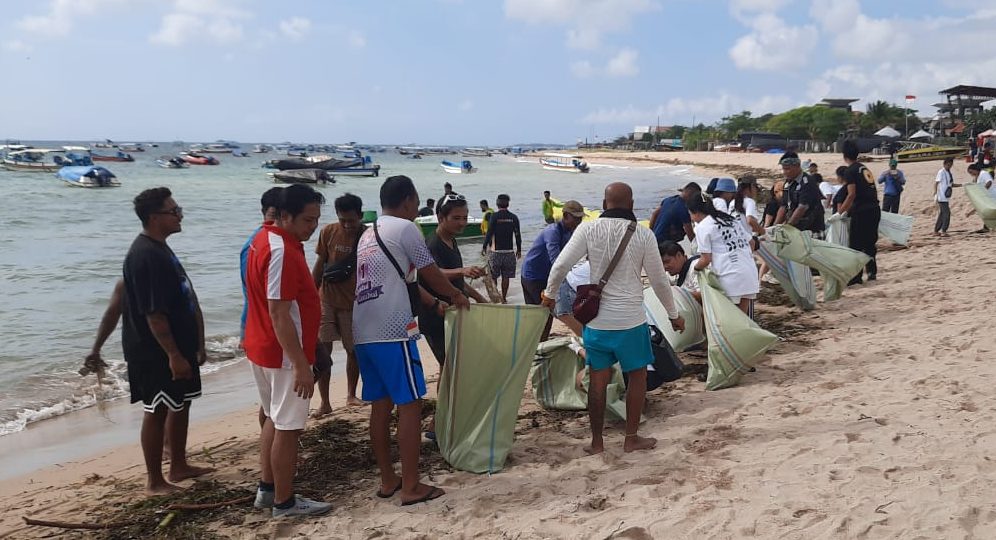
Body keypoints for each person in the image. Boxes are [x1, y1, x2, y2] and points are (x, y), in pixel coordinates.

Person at [542, 182, 685, 455]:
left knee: (597, 380)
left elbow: (560, 265)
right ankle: (631, 439)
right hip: (631, 322)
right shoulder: (644, 235)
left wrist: (549, 295)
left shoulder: (588, 228)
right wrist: (674, 315)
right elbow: (659, 281)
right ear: (631, 205)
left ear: (604, 203)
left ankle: (597, 443)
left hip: (596, 323)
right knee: (637, 377)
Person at [353, 175, 469, 506]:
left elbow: (405, 278)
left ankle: (389, 480)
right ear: (407, 200)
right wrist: (456, 296)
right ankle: (412, 486)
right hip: (393, 331)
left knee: (380, 405)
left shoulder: (369, 233)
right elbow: (429, 271)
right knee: (410, 405)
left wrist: (434, 303)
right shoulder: (405, 228)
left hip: (363, 331)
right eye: (417, 203)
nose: (418, 209)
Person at [244, 184, 332, 518]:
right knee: (288, 427)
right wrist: (300, 365)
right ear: (284, 216)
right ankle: (284, 502)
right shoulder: (280, 249)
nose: (313, 227)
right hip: (282, 354)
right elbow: (279, 312)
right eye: (308, 220)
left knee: (274, 418)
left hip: (263, 346)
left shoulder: (262, 239)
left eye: (316, 220)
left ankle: (268, 490)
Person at [121, 187, 212, 495]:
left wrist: (197, 342)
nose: (179, 215)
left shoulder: (160, 248)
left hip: (180, 345)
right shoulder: (145, 255)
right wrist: (173, 354)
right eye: (173, 211)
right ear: (154, 217)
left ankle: (179, 465)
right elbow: (154, 315)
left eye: (178, 208)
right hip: (154, 351)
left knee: (180, 403)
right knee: (157, 408)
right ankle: (154, 480)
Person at [311, 193, 366, 413]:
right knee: (324, 351)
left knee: (354, 351)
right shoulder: (328, 232)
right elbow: (320, 264)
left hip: (354, 302)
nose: (346, 225)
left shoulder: (367, 236)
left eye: (351, 220)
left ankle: (351, 395)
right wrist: (311, 294)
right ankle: (325, 402)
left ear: (360, 216)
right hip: (327, 300)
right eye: (342, 220)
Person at [419, 194, 488, 367]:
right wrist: (463, 270)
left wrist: (478, 297)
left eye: (465, 218)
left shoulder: (452, 241)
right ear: (441, 218)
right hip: (435, 315)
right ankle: (445, 396)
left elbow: (456, 280)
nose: (462, 223)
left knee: (457, 364)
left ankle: (453, 395)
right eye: (456, 218)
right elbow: (433, 273)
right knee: (448, 366)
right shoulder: (432, 244)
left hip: (455, 312)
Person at [520, 200, 586, 340]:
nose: (579, 222)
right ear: (566, 215)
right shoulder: (553, 232)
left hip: (547, 275)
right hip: (533, 276)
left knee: (546, 313)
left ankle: (540, 341)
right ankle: (535, 344)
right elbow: (556, 261)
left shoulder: (570, 232)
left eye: (580, 218)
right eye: (576, 218)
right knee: (540, 313)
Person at [688, 194, 759, 316]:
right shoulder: (730, 219)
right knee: (742, 320)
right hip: (749, 273)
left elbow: (706, 259)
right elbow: (751, 243)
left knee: (729, 320)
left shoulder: (703, 227)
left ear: (695, 212)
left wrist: (695, 270)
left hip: (730, 277)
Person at [837, 140, 882, 284]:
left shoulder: (849, 171)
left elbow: (851, 194)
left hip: (862, 211)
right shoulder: (864, 168)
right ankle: (872, 272)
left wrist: (839, 213)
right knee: (869, 242)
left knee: (855, 243)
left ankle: (856, 277)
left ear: (844, 156)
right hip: (874, 208)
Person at [775, 151, 825, 239]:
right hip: (796, 229)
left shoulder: (807, 182)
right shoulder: (788, 183)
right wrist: (775, 227)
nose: (785, 172)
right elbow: (783, 206)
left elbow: (802, 207)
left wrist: (788, 226)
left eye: (788, 169)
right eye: (783, 169)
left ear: (797, 166)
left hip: (811, 230)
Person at [482, 194, 521, 303]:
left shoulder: (494, 216)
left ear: (497, 203)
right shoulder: (514, 217)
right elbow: (517, 234)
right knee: (506, 277)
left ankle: (496, 296)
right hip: (509, 252)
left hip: (496, 252)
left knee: (493, 276)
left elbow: (489, 233)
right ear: (508, 204)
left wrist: (484, 246)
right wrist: (519, 249)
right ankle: (504, 298)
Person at [967, 164, 995, 232]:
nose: (971, 174)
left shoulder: (983, 173)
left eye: (971, 172)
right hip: (987, 197)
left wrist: (983, 192)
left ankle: (986, 228)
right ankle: (986, 227)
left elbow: (989, 182)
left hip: (992, 196)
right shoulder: (978, 176)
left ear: (975, 169)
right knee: (986, 212)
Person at [934, 157, 955, 237]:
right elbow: (936, 183)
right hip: (941, 196)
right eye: (948, 165)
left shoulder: (949, 173)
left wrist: (962, 185)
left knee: (942, 214)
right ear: (944, 164)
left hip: (946, 197)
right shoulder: (941, 172)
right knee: (947, 213)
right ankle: (944, 230)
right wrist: (935, 193)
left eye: (951, 165)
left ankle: (936, 230)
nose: (949, 166)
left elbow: (951, 184)